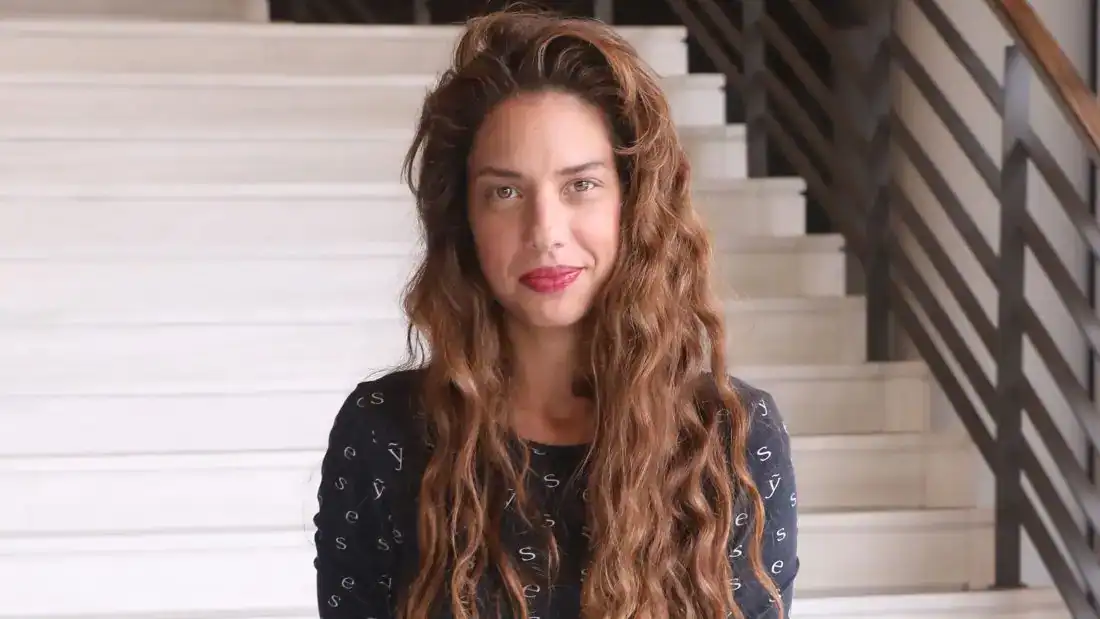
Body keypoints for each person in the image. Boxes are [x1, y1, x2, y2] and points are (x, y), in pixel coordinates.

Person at [312, 9, 798, 619]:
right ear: (464, 220)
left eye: (581, 185)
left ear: (632, 203)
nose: (545, 232)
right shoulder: (385, 433)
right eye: (505, 192)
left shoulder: (729, 438)